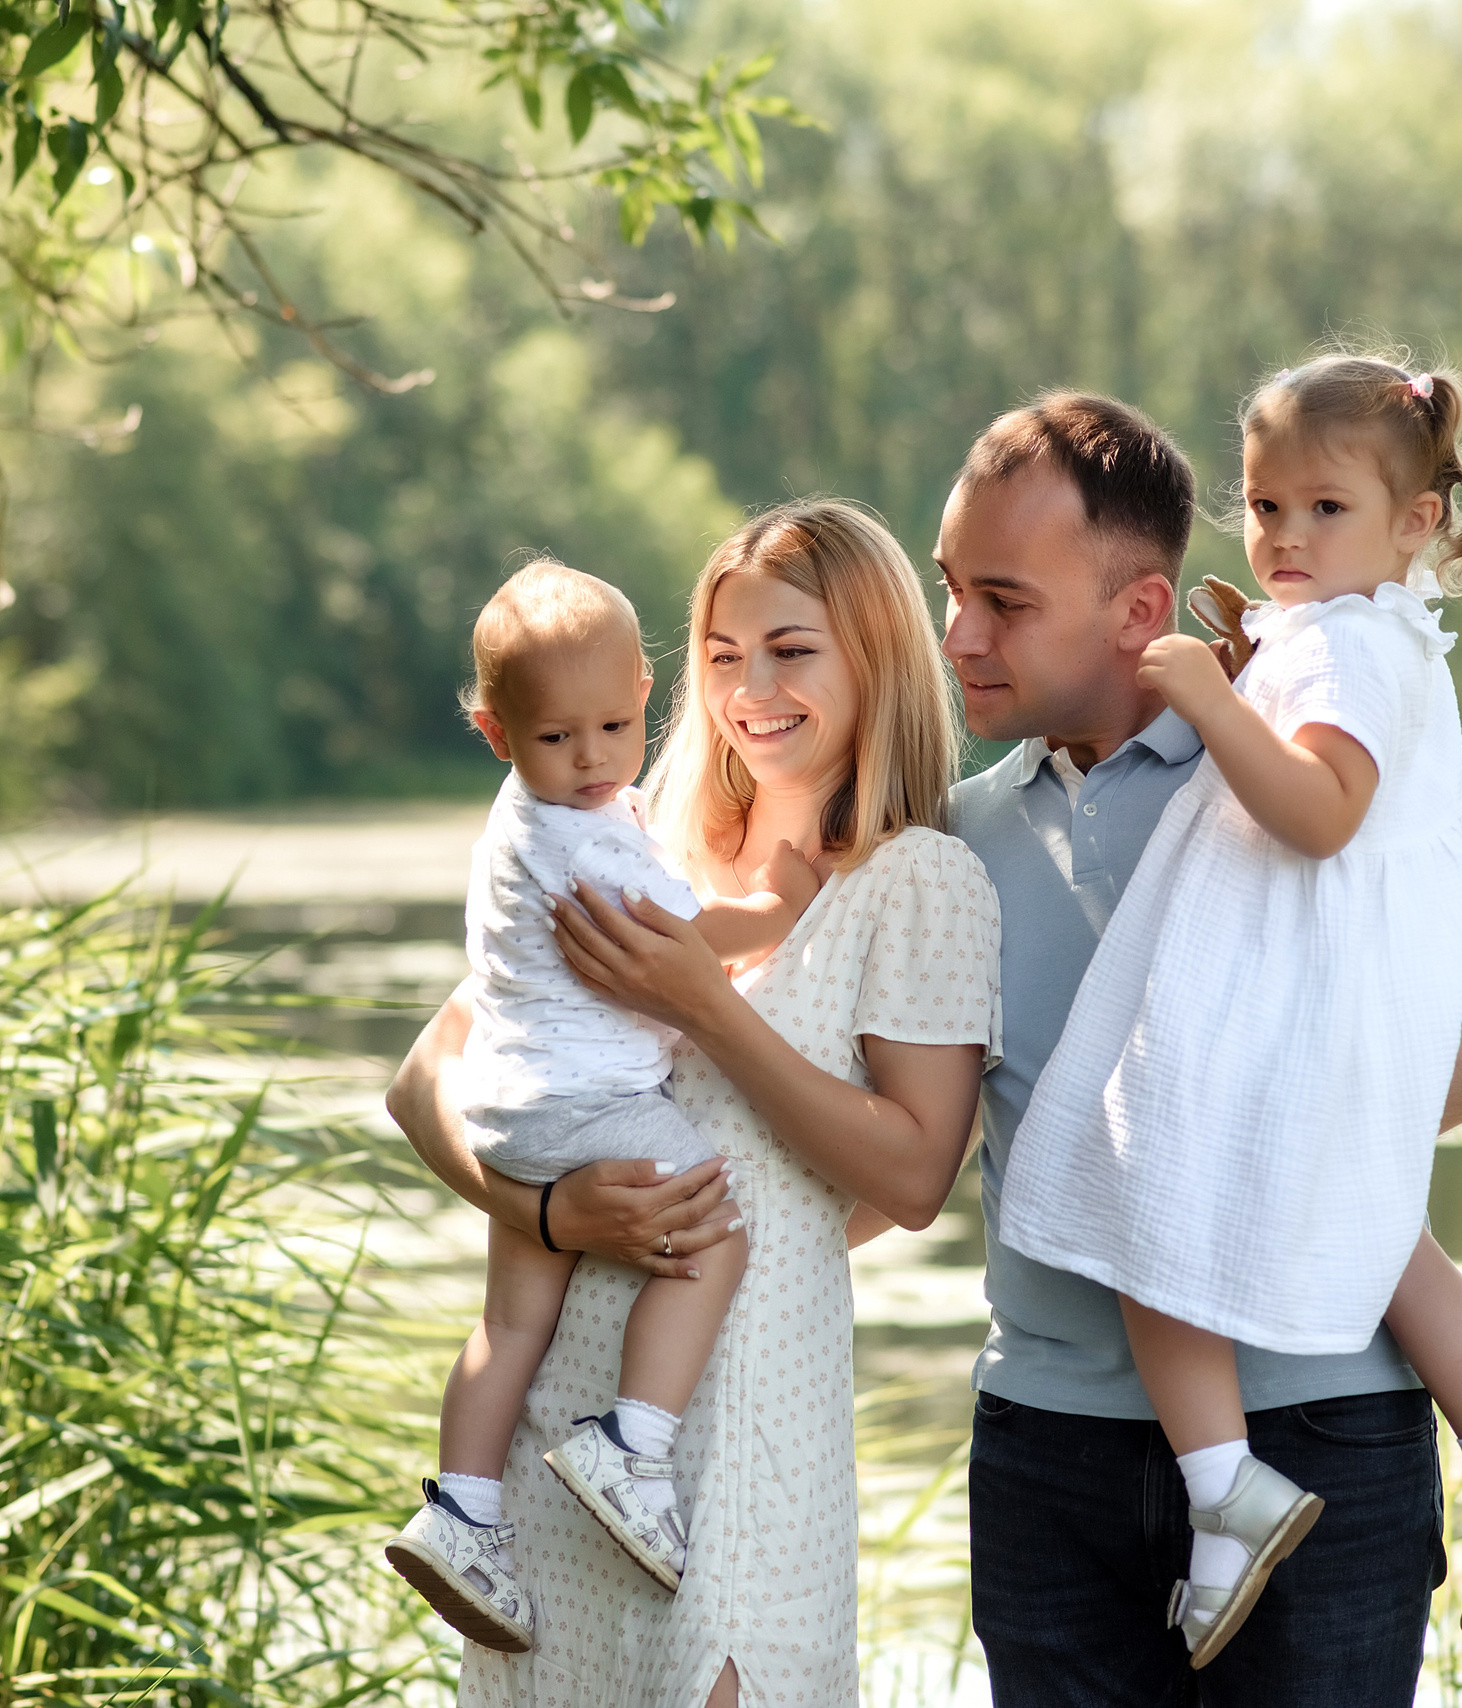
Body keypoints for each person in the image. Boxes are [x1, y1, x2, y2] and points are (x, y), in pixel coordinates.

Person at [937, 389, 1462, 1705]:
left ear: (1140, 612)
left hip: (1326, 1426)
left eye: (1005, 599)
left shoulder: (1288, 743)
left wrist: (1245, 1161)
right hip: (1048, 1452)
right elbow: (908, 1156)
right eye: (950, 591)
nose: (958, 635)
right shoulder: (950, 839)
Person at [387, 498, 1002, 1708]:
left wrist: (706, 1004)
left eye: (791, 649)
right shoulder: (630, 843)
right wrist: (554, 1213)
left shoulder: (915, 877)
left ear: (873, 656)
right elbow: (426, 1084)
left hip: (746, 1417)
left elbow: (917, 1175)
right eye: (723, 656)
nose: (750, 687)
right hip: (563, 1422)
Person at [384, 559, 822, 1652]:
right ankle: (632, 1440)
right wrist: (776, 905)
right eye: (554, 739)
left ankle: (464, 1512)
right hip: (587, 1103)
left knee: (510, 1321)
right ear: (496, 731)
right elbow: (682, 947)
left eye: (613, 727)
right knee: (714, 1238)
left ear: (644, 689)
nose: (589, 760)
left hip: (509, 1106)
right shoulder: (584, 837)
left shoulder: (522, 821)